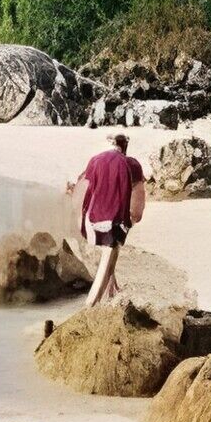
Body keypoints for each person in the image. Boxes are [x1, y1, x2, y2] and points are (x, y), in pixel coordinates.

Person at [76, 129, 147, 302]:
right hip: (114, 219)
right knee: (111, 253)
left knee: (107, 254)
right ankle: (94, 302)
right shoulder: (132, 164)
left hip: (91, 217)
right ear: (125, 145)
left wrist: (81, 220)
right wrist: (134, 218)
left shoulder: (95, 160)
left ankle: (110, 289)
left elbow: (83, 186)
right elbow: (138, 199)